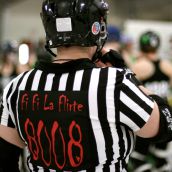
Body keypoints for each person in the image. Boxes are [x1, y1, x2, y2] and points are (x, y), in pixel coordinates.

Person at [0, 1, 172, 171]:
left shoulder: (16, 87)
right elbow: (165, 127)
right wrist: (131, 80)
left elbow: (6, 157)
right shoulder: (114, 83)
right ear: (96, 28)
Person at [128, 31, 172, 172]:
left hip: (147, 117)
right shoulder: (167, 65)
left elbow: (129, 90)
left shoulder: (139, 66)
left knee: (138, 158)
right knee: (160, 159)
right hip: (165, 117)